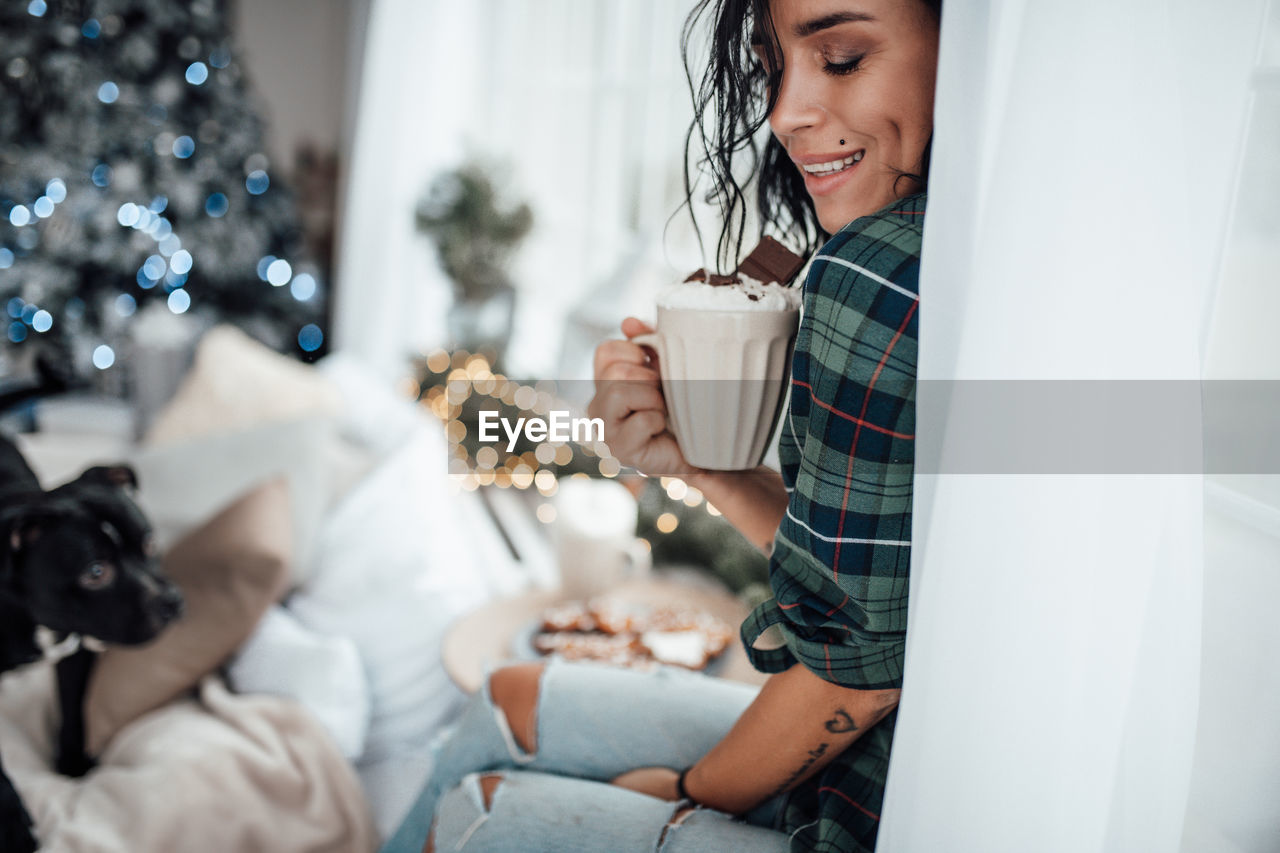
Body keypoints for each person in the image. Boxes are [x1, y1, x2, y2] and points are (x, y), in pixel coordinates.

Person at [381, 0, 940, 850]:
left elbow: (854, 682)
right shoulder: (937, 248)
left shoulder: (873, 272)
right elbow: (872, 592)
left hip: (865, 805)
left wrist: (688, 791)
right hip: (870, 749)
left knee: (479, 815)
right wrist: (706, 466)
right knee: (509, 698)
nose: (786, 114)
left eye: (843, 57)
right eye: (771, 68)